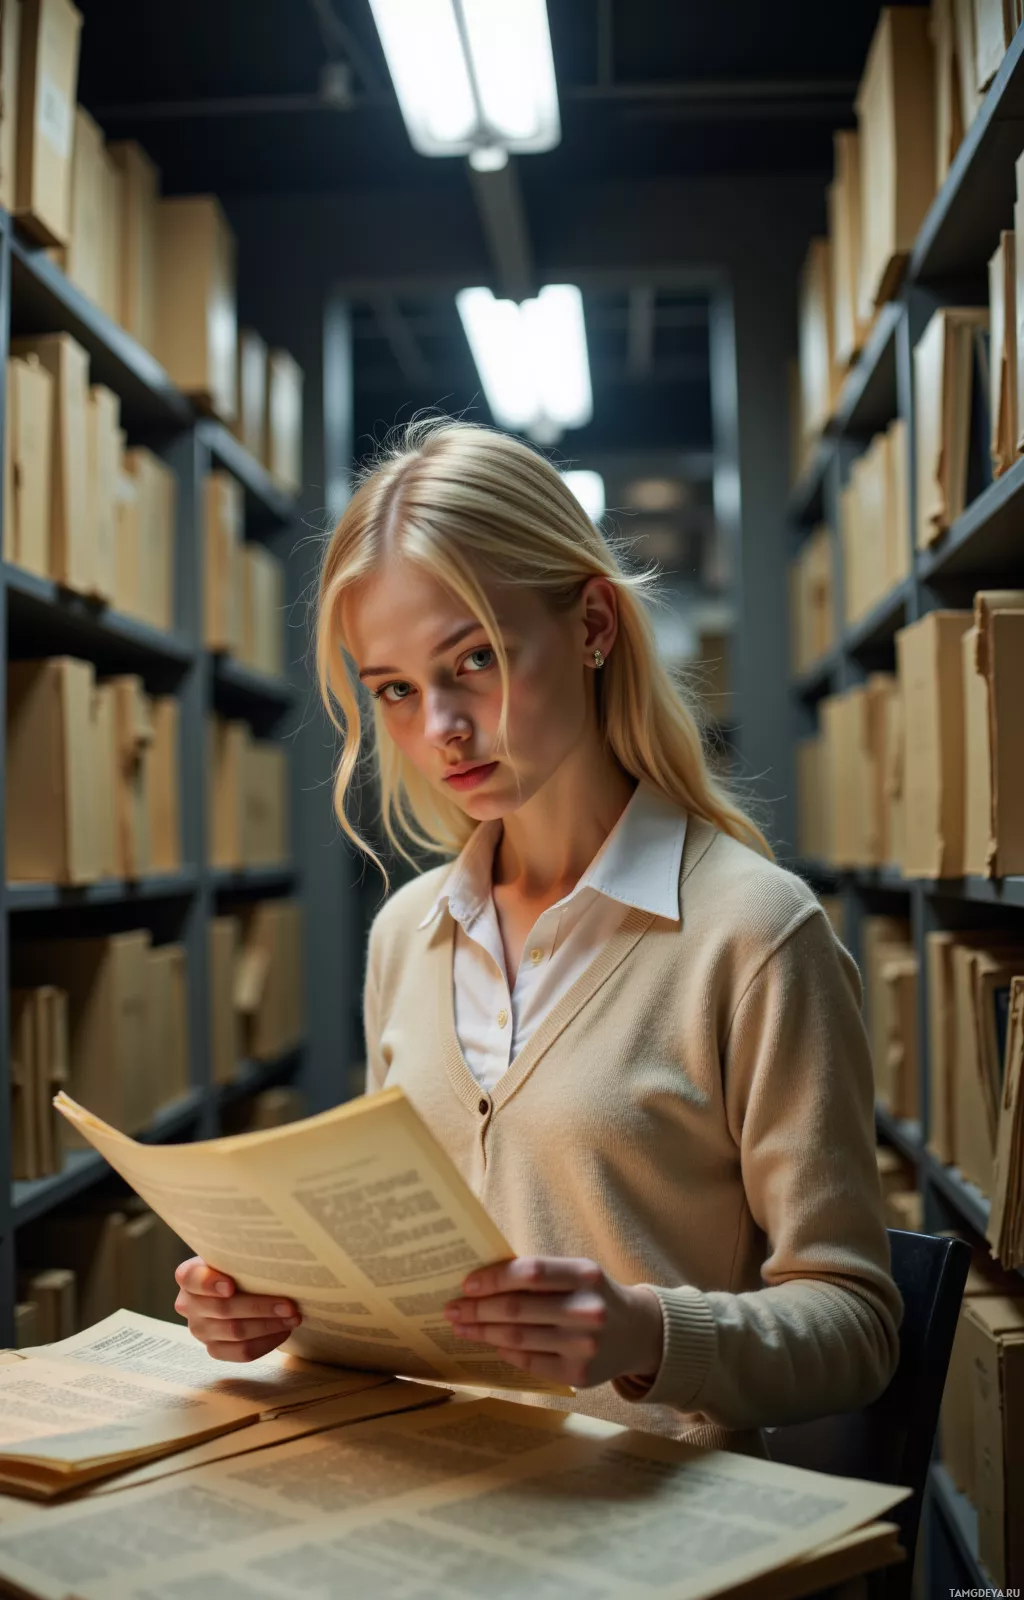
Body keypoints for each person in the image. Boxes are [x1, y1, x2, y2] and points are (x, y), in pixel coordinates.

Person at [175, 418, 902, 1459]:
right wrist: (276, 1303)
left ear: (593, 623)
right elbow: (411, 1282)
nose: (440, 731)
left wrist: (646, 1331)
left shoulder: (755, 932)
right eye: (394, 690)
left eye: (473, 659)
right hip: (430, 1504)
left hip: (652, 1539)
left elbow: (859, 1329)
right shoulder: (407, 934)